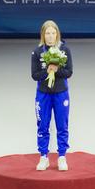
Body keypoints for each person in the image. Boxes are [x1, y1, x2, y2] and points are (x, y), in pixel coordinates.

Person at [31, 20, 73, 171]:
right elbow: (34, 75)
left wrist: (56, 70)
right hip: (43, 95)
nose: (50, 36)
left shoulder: (64, 50)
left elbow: (69, 72)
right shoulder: (37, 52)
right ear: (43, 35)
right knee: (43, 126)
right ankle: (44, 157)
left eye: (53, 33)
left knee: (62, 125)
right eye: (47, 33)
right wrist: (47, 71)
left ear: (57, 34)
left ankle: (62, 156)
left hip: (61, 94)